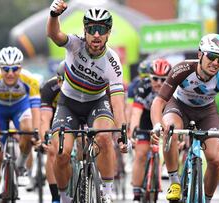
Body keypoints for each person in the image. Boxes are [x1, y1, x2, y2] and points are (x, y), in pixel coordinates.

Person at [47, 1, 129, 202]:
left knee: (104, 138)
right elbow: (54, 35)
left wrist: (122, 134)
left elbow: (117, 103)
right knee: (62, 153)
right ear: (85, 31)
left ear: (108, 33)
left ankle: (107, 193)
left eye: (101, 29)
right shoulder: (75, 44)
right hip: (68, 104)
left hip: (96, 103)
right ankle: (65, 197)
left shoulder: (113, 62)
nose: (96, 35)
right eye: (92, 29)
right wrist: (53, 15)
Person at [150, 33, 219, 203]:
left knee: (215, 160)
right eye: (211, 56)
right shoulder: (182, 69)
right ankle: (174, 182)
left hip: (206, 112)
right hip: (179, 106)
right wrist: (156, 125)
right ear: (199, 54)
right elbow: (159, 101)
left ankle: (206, 199)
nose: (215, 63)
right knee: (170, 129)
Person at [0, 46, 41, 202]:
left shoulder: (30, 80)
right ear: (0, 68)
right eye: (6, 69)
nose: (10, 73)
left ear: (21, 68)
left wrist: (36, 132)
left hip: (20, 107)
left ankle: (21, 165)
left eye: (15, 69)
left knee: (28, 130)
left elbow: (35, 108)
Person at [129, 59, 171, 202]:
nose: (159, 83)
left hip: (165, 116)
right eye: (155, 78)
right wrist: (133, 131)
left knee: (171, 142)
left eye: (163, 79)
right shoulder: (143, 86)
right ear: (149, 77)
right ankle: (136, 194)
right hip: (145, 118)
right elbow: (136, 112)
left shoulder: (172, 88)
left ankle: (164, 165)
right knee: (140, 154)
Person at [40, 61, 65, 203]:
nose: (64, 85)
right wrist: (46, 137)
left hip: (76, 114)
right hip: (54, 116)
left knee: (83, 141)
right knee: (52, 150)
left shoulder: (81, 86)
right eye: (62, 81)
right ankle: (56, 197)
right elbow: (44, 118)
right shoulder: (50, 87)